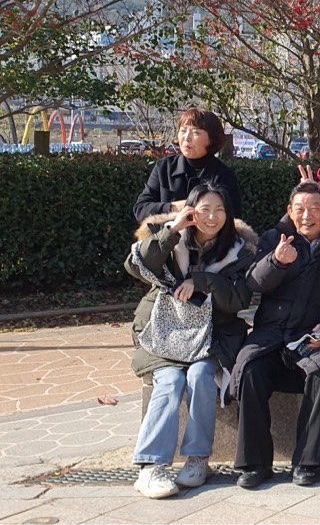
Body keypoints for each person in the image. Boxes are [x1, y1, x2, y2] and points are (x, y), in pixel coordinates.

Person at [124, 184, 255, 499]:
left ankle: (198, 459)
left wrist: (202, 282)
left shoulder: (241, 250)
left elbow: (237, 300)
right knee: (170, 381)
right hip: (164, 333)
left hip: (213, 337)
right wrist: (173, 230)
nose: (212, 217)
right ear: (190, 210)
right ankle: (151, 466)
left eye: (220, 210)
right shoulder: (167, 236)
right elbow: (137, 265)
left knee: (200, 375)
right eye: (204, 209)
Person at [231, 182, 320, 488]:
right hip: (272, 334)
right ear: (290, 211)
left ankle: (308, 462)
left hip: (315, 336)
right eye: (299, 209)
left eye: (314, 208)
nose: (307, 215)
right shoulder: (275, 238)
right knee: (250, 369)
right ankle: (255, 463)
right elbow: (254, 281)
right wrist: (276, 262)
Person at [134, 108, 243, 222]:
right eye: (183, 131)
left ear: (212, 139)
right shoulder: (164, 167)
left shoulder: (223, 175)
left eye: (196, 133)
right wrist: (173, 207)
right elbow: (141, 209)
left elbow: (233, 219)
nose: (187, 138)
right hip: (167, 233)